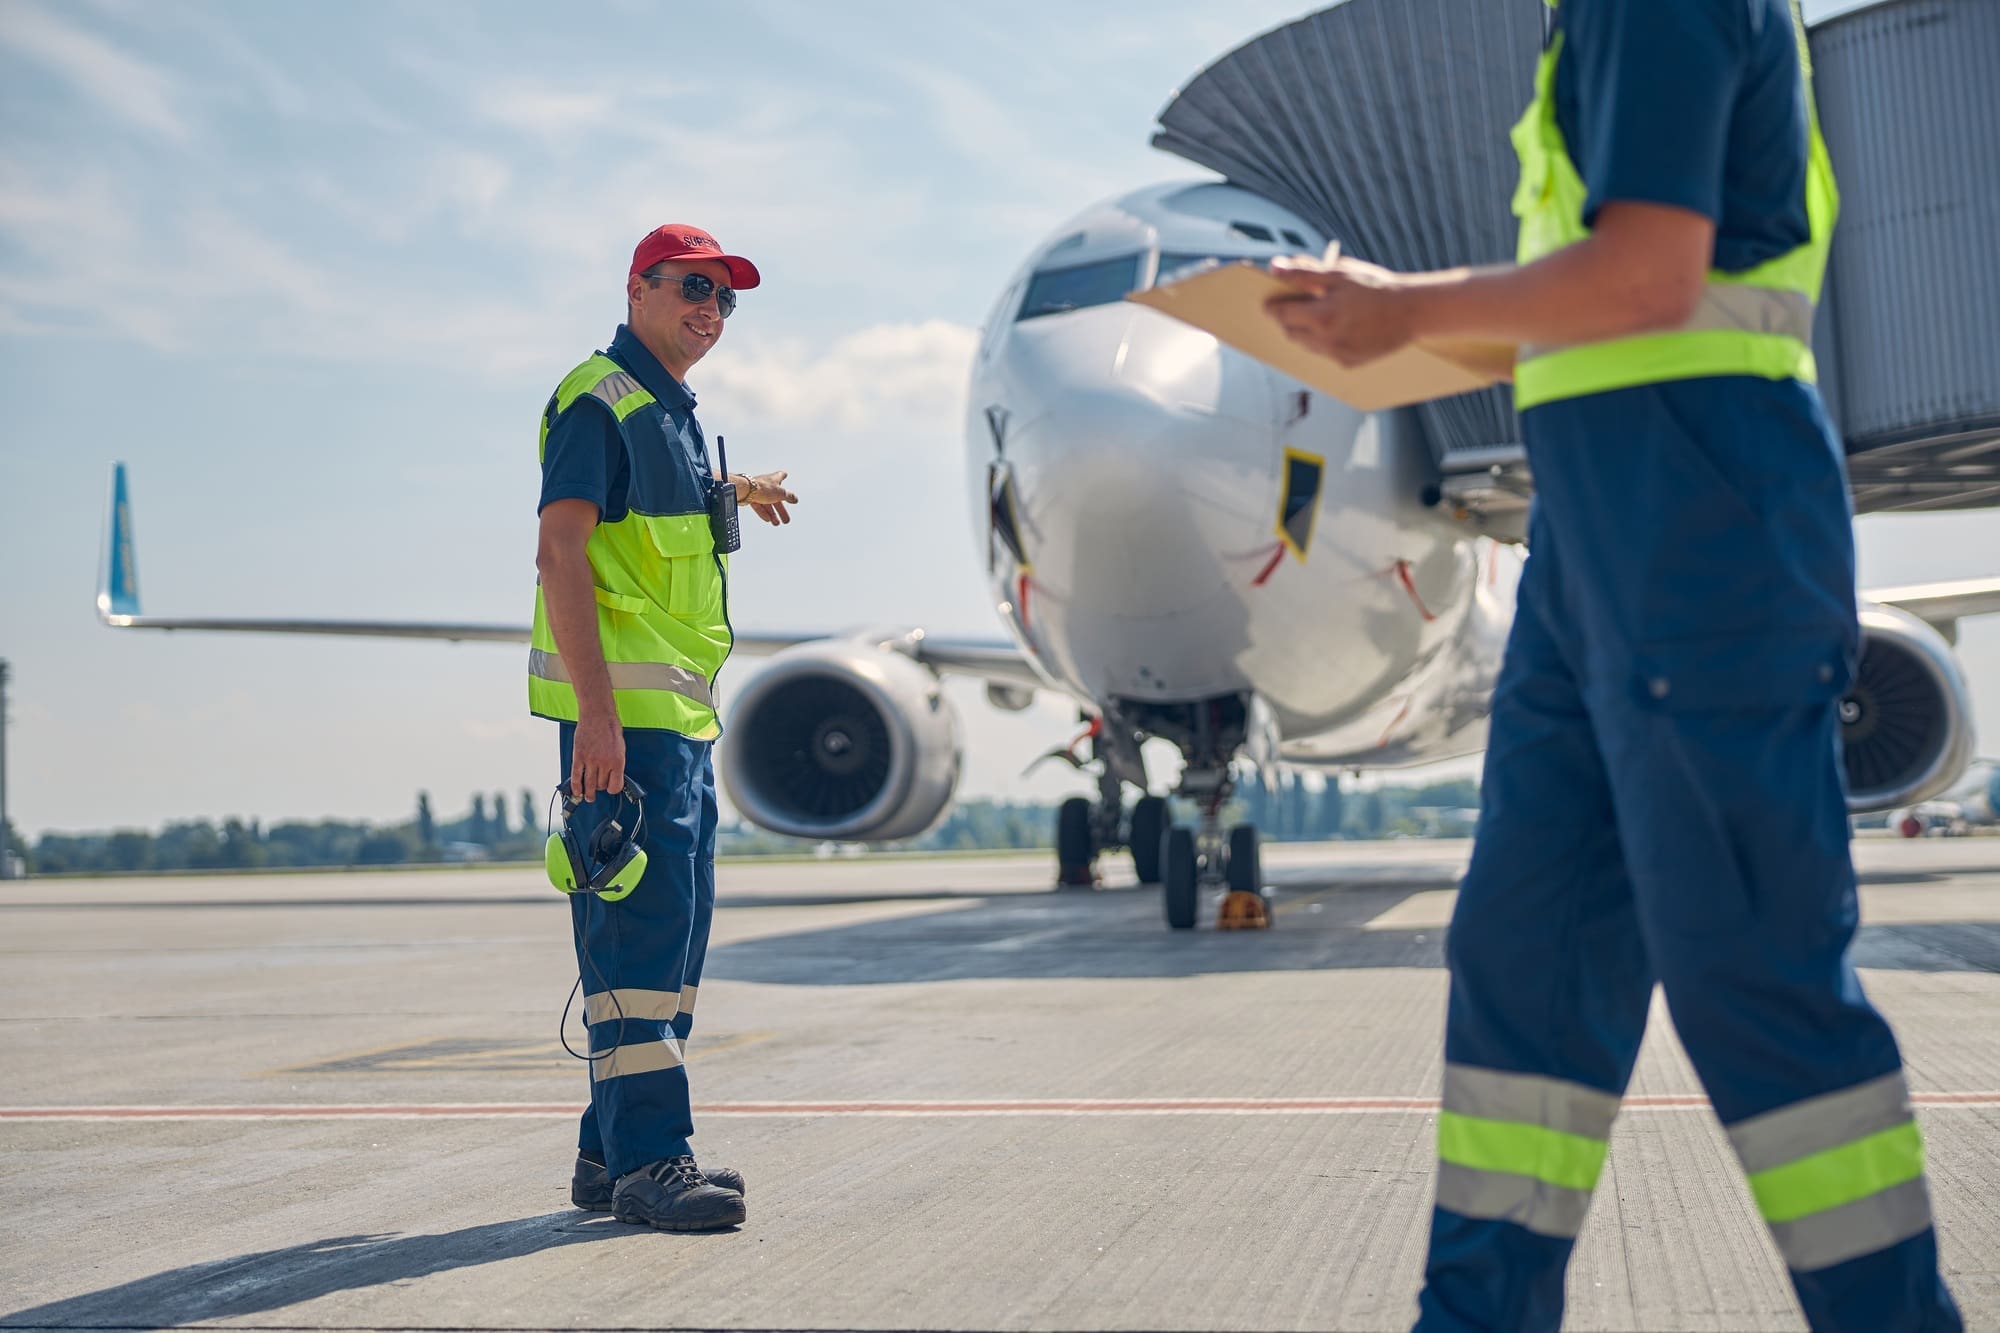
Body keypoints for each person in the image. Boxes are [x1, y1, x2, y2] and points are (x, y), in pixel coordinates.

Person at [1266, 1, 1961, 1329]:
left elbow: (1647, 276)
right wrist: (1376, 331)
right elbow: (1609, 300)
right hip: (1593, 536)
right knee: (1526, 959)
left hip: (1699, 518)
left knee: (1749, 969)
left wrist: (1399, 306)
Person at [532, 222, 798, 1233]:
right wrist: (594, 717)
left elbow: (654, 531)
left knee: (673, 943)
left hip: (676, 728)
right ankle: (651, 1164)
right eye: (693, 286)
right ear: (638, 287)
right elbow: (563, 553)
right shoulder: (598, 400)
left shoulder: (668, 415)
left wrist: (733, 489)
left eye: (725, 297)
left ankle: (607, 1155)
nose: (710, 308)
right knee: (637, 940)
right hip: (623, 731)